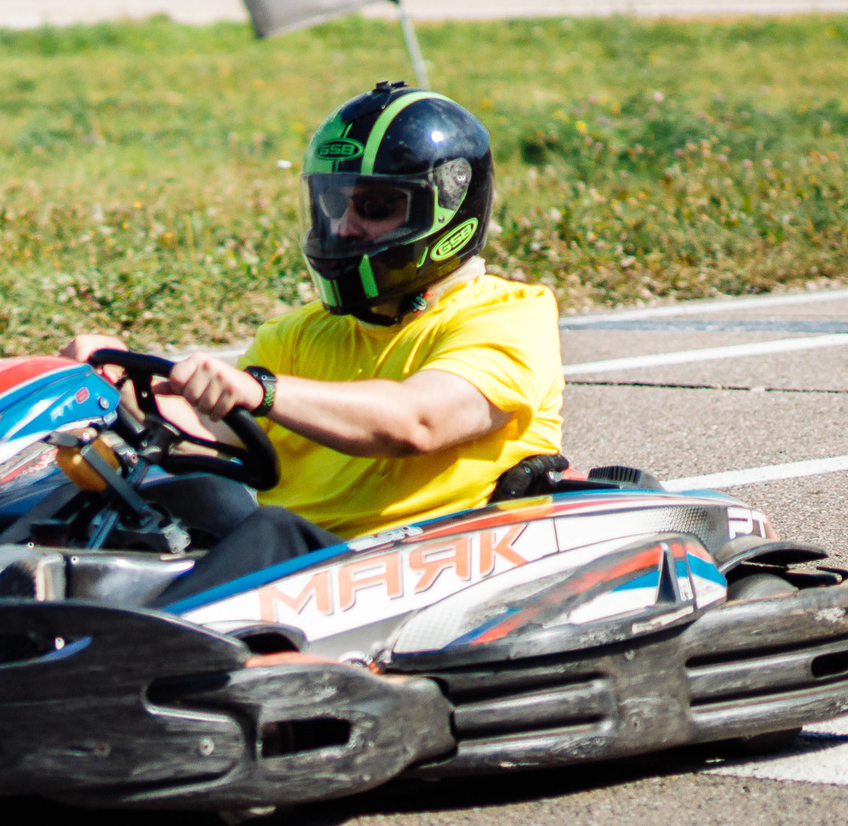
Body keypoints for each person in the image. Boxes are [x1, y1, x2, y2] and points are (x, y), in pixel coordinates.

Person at [63, 80, 564, 604]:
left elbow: (417, 421)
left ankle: (128, 657)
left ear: (444, 212)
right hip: (316, 585)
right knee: (143, 494)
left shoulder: (509, 316)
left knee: (273, 534)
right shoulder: (299, 334)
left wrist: (262, 390)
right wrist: (116, 385)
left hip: (427, 575)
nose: (344, 227)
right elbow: (209, 438)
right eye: (333, 203)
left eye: (374, 207)